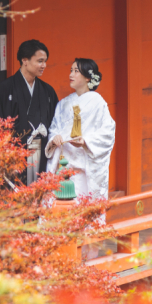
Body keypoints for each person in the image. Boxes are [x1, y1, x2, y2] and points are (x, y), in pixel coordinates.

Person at [45, 58, 116, 208]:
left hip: (84, 170)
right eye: (71, 70)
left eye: (76, 71)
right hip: (63, 168)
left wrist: (86, 141)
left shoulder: (98, 103)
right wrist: (54, 138)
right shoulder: (63, 103)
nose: (71, 74)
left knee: (82, 211)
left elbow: (108, 132)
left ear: (87, 77)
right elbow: (54, 128)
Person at [0, 39, 59, 184]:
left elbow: (56, 123)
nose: (44, 65)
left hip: (41, 155)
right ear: (25, 60)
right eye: (40, 61)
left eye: (45, 61)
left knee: (38, 195)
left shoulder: (47, 91)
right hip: (13, 156)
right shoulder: (4, 89)